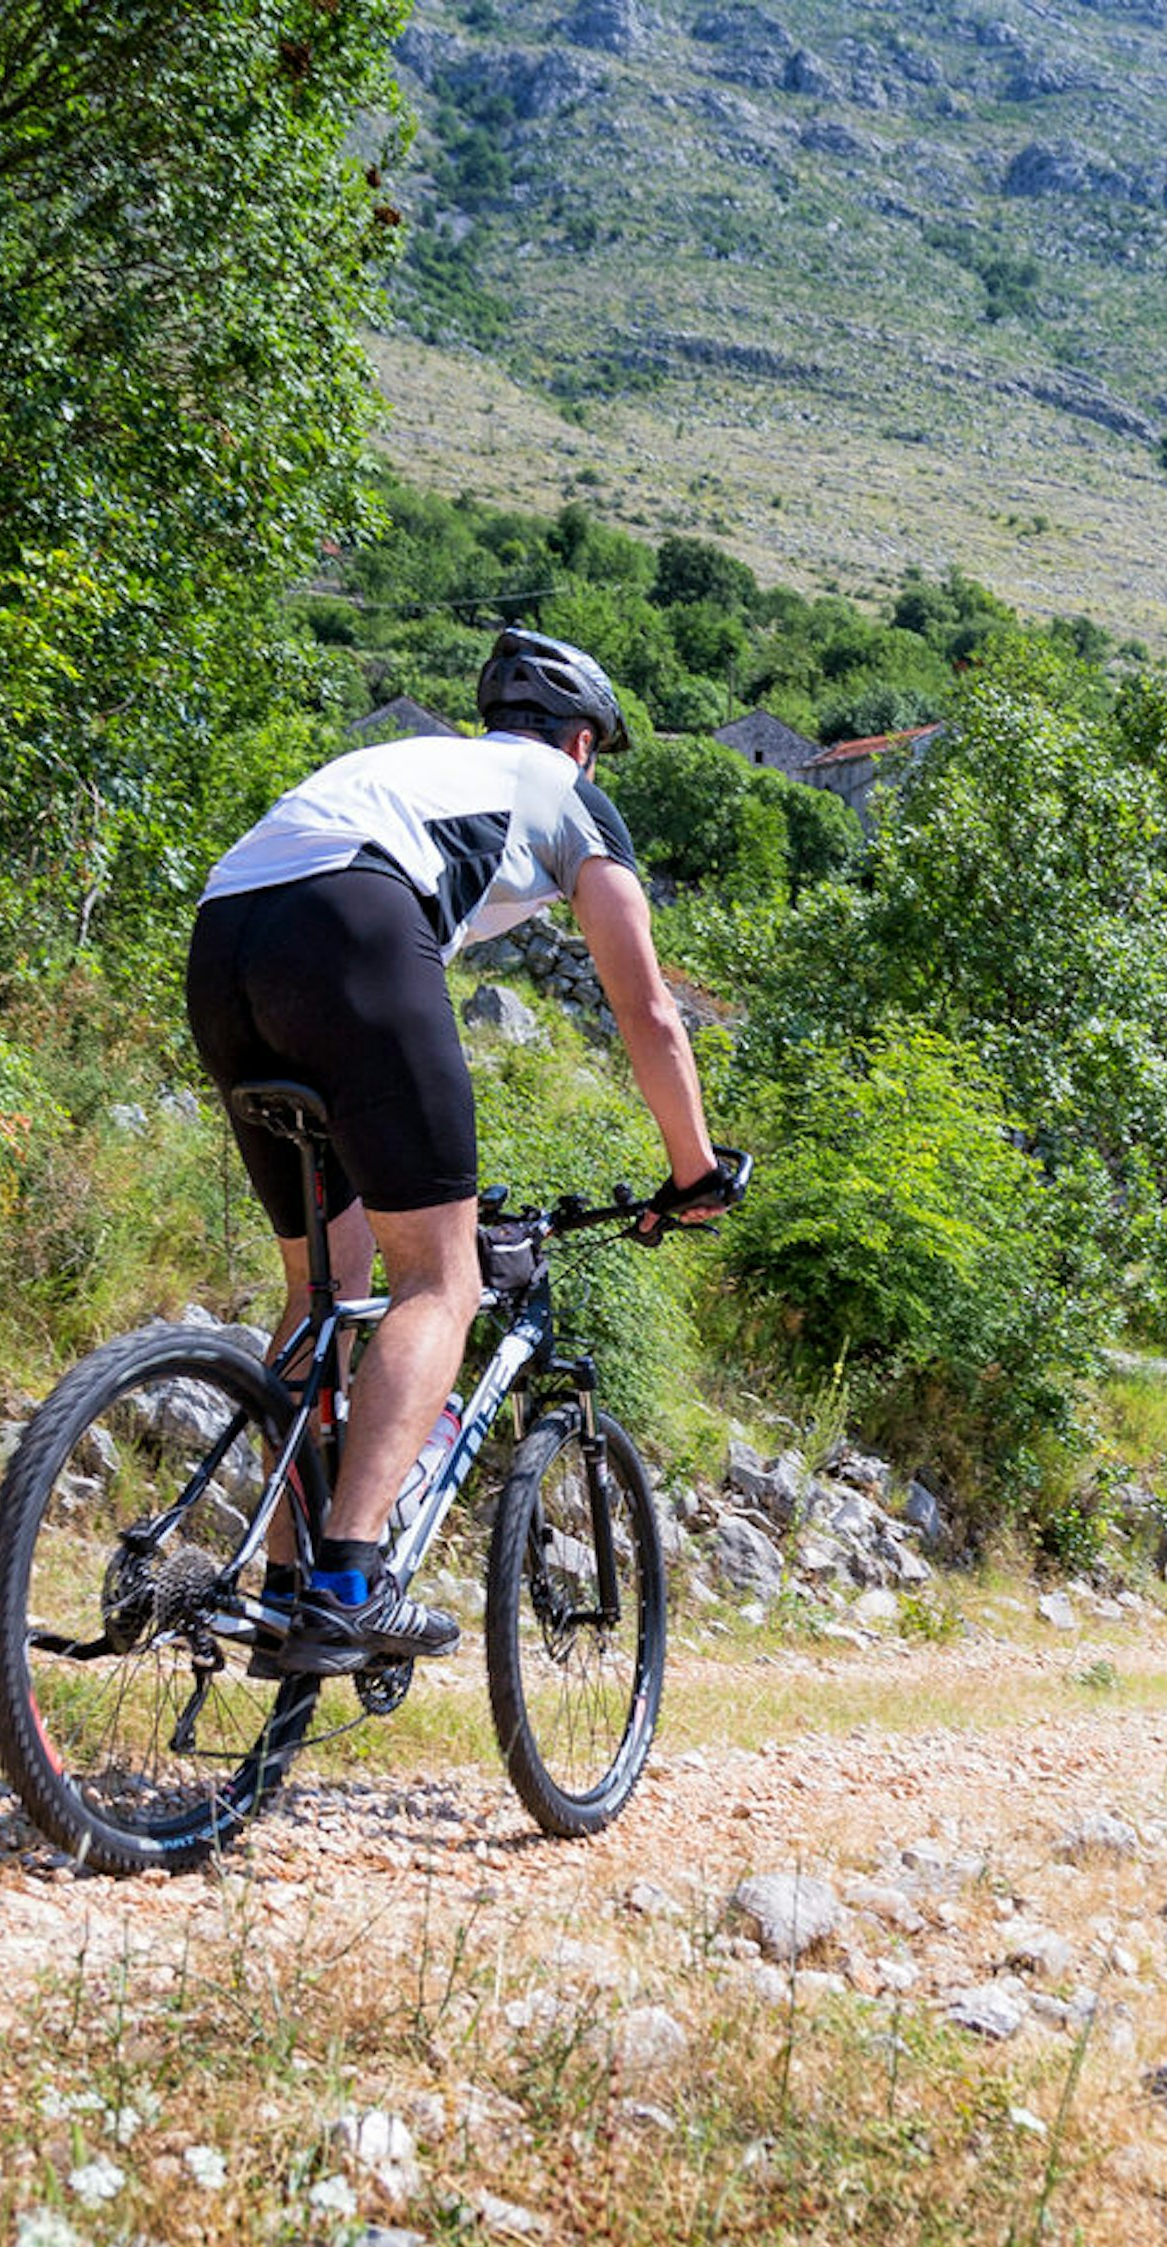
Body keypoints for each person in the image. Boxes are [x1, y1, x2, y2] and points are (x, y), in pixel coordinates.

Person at [183, 628, 725, 1675]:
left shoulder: (415, 768)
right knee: (442, 1277)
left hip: (225, 935)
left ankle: (285, 1587)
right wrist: (694, 1168)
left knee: (325, 1288)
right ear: (581, 742)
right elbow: (647, 1006)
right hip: (355, 920)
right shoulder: (562, 790)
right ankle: (348, 1580)